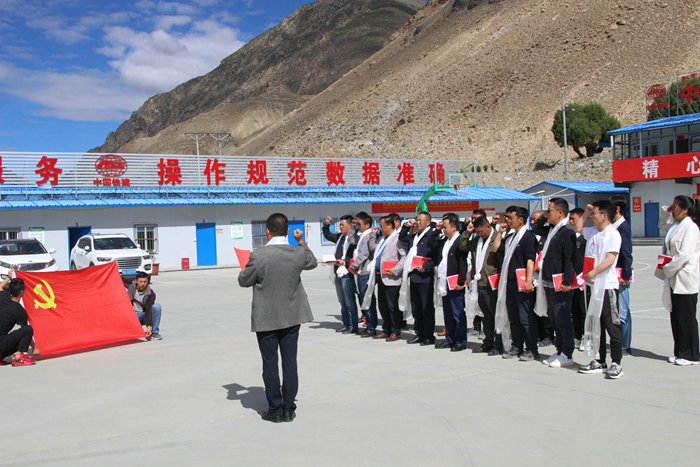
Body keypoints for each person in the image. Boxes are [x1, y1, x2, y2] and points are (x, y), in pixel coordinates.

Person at [238, 213, 317, 423]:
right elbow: (312, 262)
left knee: (270, 363)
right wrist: (301, 242)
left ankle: (275, 408)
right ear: (288, 231)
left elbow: (244, 281)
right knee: (290, 361)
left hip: (267, 317)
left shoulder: (258, 256)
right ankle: (289, 408)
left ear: (267, 231)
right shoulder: (297, 253)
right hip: (292, 315)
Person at [575, 201, 624, 379]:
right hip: (592, 285)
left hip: (606, 286)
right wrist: (587, 211)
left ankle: (616, 362)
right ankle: (599, 360)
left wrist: (593, 273)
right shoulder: (593, 232)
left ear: (604, 215)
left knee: (611, 324)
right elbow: (578, 227)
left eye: (594, 214)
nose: (592, 217)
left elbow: (610, 259)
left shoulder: (613, 234)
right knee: (597, 324)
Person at [656, 196, 700, 366]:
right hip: (673, 277)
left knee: (686, 317)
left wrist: (668, 268)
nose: (673, 210)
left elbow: (684, 255)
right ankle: (680, 351)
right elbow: (662, 225)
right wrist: (665, 210)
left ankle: (691, 355)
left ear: (685, 210)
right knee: (676, 317)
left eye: (675, 207)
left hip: (684, 277)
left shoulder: (691, 228)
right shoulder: (675, 226)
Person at [493, 206, 539, 361]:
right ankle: (516, 346)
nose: (507, 220)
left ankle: (531, 348)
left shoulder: (528, 237)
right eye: (506, 217)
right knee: (513, 317)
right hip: (510, 282)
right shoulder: (511, 237)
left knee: (525, 317)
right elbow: (496, 248)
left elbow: (530, 260)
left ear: (520, 219)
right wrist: (500, 233)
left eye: (510, 217)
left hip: (522, 283)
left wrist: (528, 281)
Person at [537, 198, 576, 368]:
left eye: (550, 211)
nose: (547, 214)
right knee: (554, 318)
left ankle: (567, 353)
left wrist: (567, 281)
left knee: (563, 318)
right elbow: (537, 228)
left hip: (560, 283)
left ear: (560, 213)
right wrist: (543, 216)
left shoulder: (567, 231)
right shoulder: (554, 229)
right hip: (549, 281)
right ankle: (559, 350)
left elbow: (569, 259)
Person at [399, 211, 439, 346]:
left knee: (426, 308)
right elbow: (402, 237)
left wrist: (426, 267)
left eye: (420, 220)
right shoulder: (414, 236)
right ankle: (419, 333)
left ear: (428, 222)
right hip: (414, 275)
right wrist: (406, 225)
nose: (417, 222)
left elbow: (436, 257)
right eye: (417, 220)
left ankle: (428, 335)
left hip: (425, 277)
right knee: (416, 307)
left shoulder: (431, 236)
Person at [468, 216, 503, 355]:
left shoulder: (497, 238)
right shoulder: (477, 241)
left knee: (495, 315)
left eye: (481, 231)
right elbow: (463, 246)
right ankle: (488, 341)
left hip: (492, 283)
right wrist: (466, 232)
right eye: (477, 232)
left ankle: (498, 343)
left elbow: (501, 261)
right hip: (480, 282)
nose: (479, 234)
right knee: (486, 316)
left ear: (488, 226)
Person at [434, 213, 468, 351]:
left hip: (455, 283)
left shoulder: (459, 241)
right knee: (447, 313)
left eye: (445, 227)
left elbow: (463, 263)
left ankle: (460, 340)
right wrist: (436, 231)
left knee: (457, 313)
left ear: (454, 227)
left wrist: (461, 281)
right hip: (444, 282)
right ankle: (450, 339)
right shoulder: (445, 241)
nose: (443, 229)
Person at [372, 215, 407, 342]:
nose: (380, 228)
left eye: (382, 226)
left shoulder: (397, 238)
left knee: (393, 306)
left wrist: (396, 270)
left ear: (390, 226)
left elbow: (404, 256)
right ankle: (386, 329)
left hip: (392, 278)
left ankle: (395, 330)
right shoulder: (383, 238)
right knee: (383, 305)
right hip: (381, 276)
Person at [322, 214, 359, 334]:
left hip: (347, 274)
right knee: (342, 301)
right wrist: (326, 225)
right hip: (337, 272)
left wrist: (345, 262)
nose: (341, 227)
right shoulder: (339, 237)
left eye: (343, 225)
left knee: (349, 301)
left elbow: (358, 256)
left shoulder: (354, 239)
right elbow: (328, 235)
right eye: (340, 225)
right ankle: (346, 324)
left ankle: (353, 325)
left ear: (350, 225)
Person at [610, 194, 634, 356]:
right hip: (614, 274)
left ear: (617, 209)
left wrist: (626, 274)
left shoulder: (623, 227)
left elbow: (626, 252)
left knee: (623, 311)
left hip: (621, 275)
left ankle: (625, 344)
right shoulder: (614, 226)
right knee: (617, 309)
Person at [351, 212, 378, 337]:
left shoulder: (367, 236)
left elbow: (364, 254)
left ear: (367, 225)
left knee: (367, 300)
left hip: (365, 272)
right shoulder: (362, 235)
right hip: (361, 271)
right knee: (364, 299)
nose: (358, 226)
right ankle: (369, 325)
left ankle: (371, 327)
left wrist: (353, 266)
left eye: (359, 224)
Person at [0, 277, 36, 366]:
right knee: (28, 329)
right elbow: (26, 333)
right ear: (21, 292)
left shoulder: (3, 297)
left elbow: (0, 286)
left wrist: (8, 277)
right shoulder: (19, 310)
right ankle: (19, 357)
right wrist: (35, 347)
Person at [569, 207, 587, 350]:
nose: (570, 221)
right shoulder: (570, 237)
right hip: (572, 279)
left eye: (573, 219)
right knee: (574, 309)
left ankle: (586, 336)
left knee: (583, 310)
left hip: (583, 279)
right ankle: (577, 335)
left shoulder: (587, 237)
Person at [127, 271, 163, 340]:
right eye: (141, 281)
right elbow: (121, 279)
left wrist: (148, 326)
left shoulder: (150, 294)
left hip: (143, 316)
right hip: (132, 316)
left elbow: (149, 309)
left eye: (145, 282)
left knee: (157, 307)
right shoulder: (131, 287)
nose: (143, 284)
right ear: (136, 281)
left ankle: (155, 332)